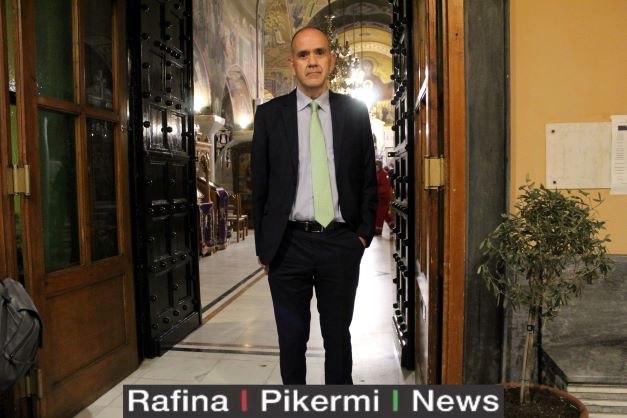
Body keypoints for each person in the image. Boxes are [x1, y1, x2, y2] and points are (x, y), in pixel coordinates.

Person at [251, 26, 377, 384]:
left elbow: (367, 179)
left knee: (338, 338)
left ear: (331, 60)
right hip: (288, 245)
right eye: (303, 55)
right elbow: (260, 186)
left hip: (340, 242)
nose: (312, 62)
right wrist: (265, 246)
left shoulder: (354, 112)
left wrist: (361, 237)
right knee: (291, 341)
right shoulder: (270, 115)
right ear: (292, 63)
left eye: (319, 52)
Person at [375, 160, 395, 235]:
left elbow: (385, 187)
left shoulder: (383, 174)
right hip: (381, 197)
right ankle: (393, 227)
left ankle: (378, 230)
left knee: (380, 213)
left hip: (384, 197)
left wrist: (376, 190)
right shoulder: (379, 173)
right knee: (385, 214)